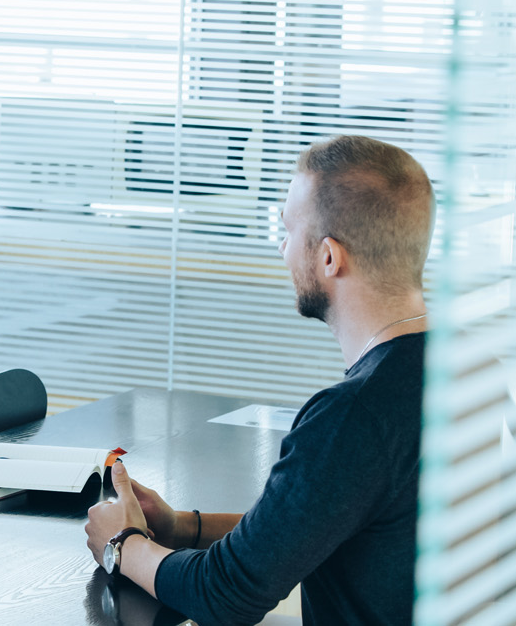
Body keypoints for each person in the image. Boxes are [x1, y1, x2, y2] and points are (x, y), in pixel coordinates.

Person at [84, 135, 434, 625]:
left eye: (288, 230)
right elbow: (321, 525)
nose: (282, 248)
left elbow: (226, 594)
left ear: (329, 257)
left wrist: (121, 544)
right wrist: (183, 527)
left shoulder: (355, 415)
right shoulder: (464, 372)